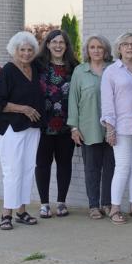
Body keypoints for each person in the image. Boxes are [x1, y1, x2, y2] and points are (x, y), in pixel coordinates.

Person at [0, 31, 45, 230]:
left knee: (27, 169)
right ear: (15, 50)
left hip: (32, 128)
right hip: (10, 127)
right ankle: (6, 214)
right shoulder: (8, 71)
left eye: (30, 50)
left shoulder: (36, 68)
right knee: (12, 170)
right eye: (22, 50)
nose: (26, 53)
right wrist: (23, 108)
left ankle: (21, 211)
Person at [101, 33, 132, 225]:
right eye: (125, 44)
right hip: (120, 127)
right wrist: (110, 129)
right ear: (119, 48)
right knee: (122, 168)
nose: (130, 47)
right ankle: (114, 208)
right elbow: (107, 103)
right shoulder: (111, 71)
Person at [67, 35, 115, 220]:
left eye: (100, 47)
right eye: (92, 47)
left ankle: (107, 203)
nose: (96, 50)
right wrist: (74, 128)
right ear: (87, 50)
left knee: (110, 168)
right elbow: (73, 101)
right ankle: (93, 205)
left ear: (106, 50)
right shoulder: (80, 71)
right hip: (89, 127)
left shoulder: (113, 68)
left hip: (111, 128)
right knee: (92, 169)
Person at [34, 29, 79, 218]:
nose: (58, 46)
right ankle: (44, 203)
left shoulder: (75, 67)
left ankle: (61, 202)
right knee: (42, 165)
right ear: (48, 44)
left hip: (66, 125)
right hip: (43, 125)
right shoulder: (38, 65)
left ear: (67, 46)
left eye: (62, 42)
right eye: (54, 42)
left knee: (64, 164)